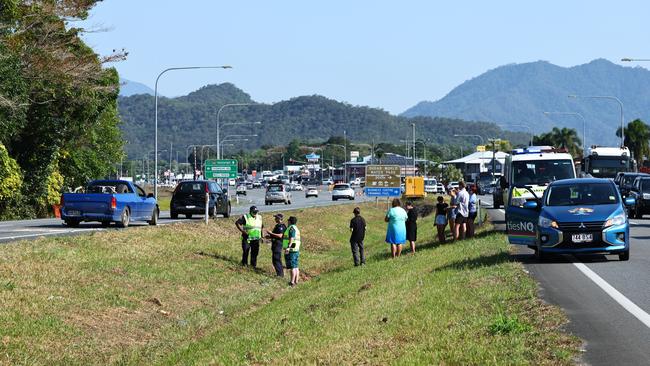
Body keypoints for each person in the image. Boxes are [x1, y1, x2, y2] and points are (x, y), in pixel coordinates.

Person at [283, 216, 301, 286]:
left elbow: (292, 238)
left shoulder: (291, 228)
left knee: (292, 267)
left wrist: (288, 247)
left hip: (292, 250)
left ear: (290, 221)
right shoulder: (296, 228)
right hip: (296, 249)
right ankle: (296, 281)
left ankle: (292, 282)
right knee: (296, 266)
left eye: (288, 221)